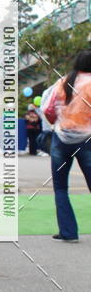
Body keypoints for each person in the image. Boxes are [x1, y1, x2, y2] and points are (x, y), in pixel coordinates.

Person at [42, 48, 91, 242]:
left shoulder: (62, 82)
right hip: (87, 140)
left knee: (61, 187)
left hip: (61, 139)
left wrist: (58, 123)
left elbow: (48, 109)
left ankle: (68, 232)